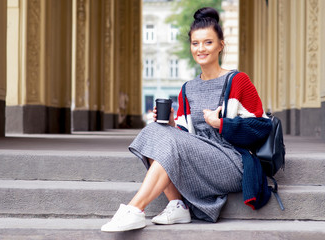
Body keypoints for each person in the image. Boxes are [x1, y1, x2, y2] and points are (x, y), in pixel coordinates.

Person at [101, 7, 272, 232]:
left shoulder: (238, 81)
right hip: (199, 160)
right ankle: (177, 204)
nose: (201, 48)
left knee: (164, 137)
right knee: (155, 130)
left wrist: (222, 124)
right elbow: (185, 140)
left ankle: (135, 209)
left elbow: (262, 126)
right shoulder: (187, 89)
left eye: (208, 42)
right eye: (195, 43)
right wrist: (172, 125)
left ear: (221, 45)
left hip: (232, 162)